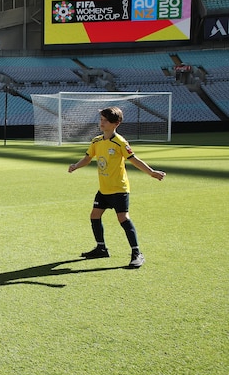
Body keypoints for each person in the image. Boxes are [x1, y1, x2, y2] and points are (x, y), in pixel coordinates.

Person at [68, 106, 166, 268]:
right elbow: (87, 158)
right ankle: (101, 248)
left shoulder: (120, 142)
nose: (102, 123)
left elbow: (134, 159)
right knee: (94, 215)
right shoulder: (96, 141)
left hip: (119, 189)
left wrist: (151, 172)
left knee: (123, 218)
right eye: (101, 119)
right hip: (104, 189)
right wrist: (76, 166)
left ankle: (137, 253)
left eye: (105, 120)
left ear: (116, 123)